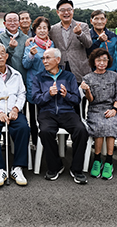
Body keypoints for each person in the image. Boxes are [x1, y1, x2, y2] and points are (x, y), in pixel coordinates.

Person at [33, 48, 88, 184]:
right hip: (47, 113)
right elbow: (35, 99)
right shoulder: (39, 77)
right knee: (45, 131)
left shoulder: (69, 76)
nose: (44, 61)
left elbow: (76, 100)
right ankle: (55, 166)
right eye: (43, 58)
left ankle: (76, 169)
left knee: (81, 130)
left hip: (67, 112)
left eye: (48, 58)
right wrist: (48, 95)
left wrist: (66, 95)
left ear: (57, 60)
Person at [0, 43, 30, 187]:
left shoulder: (16, 74)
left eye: (3, 53)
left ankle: (17, 168)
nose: (0, 56)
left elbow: (22, 94)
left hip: (13, 111)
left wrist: (16, 108)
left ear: (7, 56)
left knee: (23, 128)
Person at [80, 48, 117, 180]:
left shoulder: (114, 76)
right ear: (93, 62)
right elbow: (90, 100)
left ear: (108, 61)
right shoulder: (87, 77)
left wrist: (114, 109)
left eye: (105, 59)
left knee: (110, 124)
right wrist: (87, 90)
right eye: (98, 60)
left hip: (111, 108)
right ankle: (97, 159)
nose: (102, 62)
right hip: (95, 109)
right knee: (99, 125)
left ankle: (109, 161)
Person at [22, 16, 53, 146]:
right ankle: (35, 142)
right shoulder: (30, 44)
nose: (42, 31)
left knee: (46, 114)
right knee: (34, 116)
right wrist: (31, 55)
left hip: (48, 84)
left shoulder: (52, 45)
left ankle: (46, 141)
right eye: (39, 28)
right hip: (34, 84)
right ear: (34, 30)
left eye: (44, 28)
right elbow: (25, 64)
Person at [49, 0, 92, 84]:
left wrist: (80, 34)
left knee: (80, 96)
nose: (66, 12)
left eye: (69, 9)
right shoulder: (53, 29)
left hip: (80, 70)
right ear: (58, 12)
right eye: (62, 10)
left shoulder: (83, 26)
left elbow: (88, 44)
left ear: (73, 11)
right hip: (61, 70)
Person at [0, 11, 29, 85]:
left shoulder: (26, 38)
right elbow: (0, 59)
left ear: (19, 23)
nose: (12, 23)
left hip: (23, 76)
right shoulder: (0, 38)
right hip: (6, 77)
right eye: (9, 20)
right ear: (4, 23)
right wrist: (10, 48)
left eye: (15, 20)